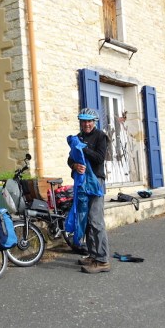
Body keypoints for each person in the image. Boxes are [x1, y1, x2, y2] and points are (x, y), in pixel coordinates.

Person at [67, 107, 110, 273]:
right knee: (86, 221)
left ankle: (103, 260)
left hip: (96, 182)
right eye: (84, 121)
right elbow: (70, 158)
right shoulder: (78, 137)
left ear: (95, 122)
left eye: (89, 121)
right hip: (82, 182)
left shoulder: (101, 136)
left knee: (96, 221)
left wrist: (82, 148)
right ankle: (93, 255)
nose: (86, 124)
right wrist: (75, 165)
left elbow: (99, 158)